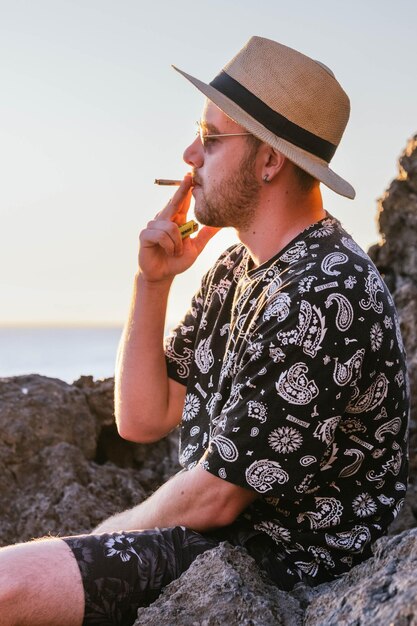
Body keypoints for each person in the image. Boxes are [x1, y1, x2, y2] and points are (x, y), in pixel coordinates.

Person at [0, 36, 409, 626]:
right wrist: (153, 282)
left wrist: (103, 536)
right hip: (217, 545)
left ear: (270, 160)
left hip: (281, 573)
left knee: (10, 587)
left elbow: (220, 493)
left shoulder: (327, 289)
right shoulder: (236, 267)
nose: (190, 154)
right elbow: (143, 417)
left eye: (213, 138)